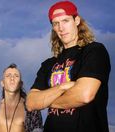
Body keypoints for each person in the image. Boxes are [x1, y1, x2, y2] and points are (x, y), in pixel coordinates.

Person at [26, 1, 111, 132]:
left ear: (76, 20)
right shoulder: (48, 64)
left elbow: (85, 95)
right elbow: (31, 103)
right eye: (56, 23)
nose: (61, 28)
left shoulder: (94, 51)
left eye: (65, 21)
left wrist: (45, 100)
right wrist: (63, 87)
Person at [0, 63, 43, 132]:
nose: (12, 78)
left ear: (21, 83)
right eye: (8, 76)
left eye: (16, 76)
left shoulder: (32, 110)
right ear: (2, 83)